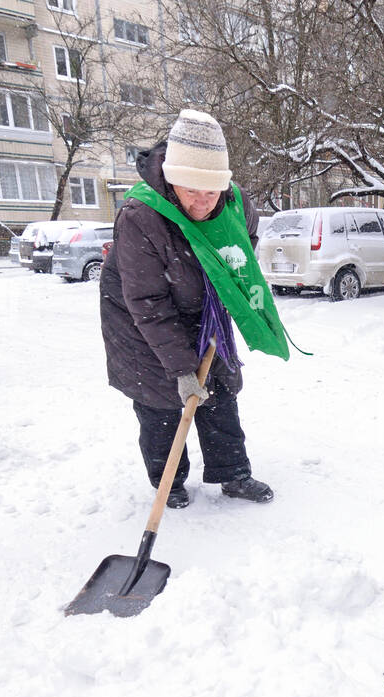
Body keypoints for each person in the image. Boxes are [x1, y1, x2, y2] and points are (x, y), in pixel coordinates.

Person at [100, 109, 280, 508]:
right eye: (191, 191)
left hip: (205, 307)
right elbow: (147, 301)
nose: (202, 201)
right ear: (172, 179)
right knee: (161, 398)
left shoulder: (235, 203)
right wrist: (181, 367)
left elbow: (244, 245)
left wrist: (227, 286)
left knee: (220, 389)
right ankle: (169, 480)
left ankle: (233, 474)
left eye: (211, 192)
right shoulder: (141, 215)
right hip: (139, 316)